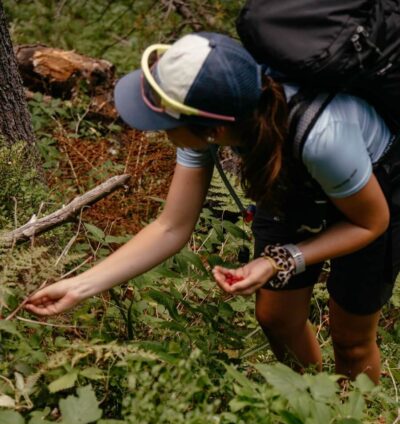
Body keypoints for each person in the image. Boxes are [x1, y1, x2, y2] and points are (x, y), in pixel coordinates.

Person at [25, 32, 400, 384]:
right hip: (289, 180)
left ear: (214, 131)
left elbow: (370, 222)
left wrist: (281, 259)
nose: (158, 132)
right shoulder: (212, 120)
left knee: (350, 340)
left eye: (164, 123)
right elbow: (171, 226)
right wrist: (80, 286)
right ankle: (313, 411)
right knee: (276, 318)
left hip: (370, 193)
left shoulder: (322, 136)